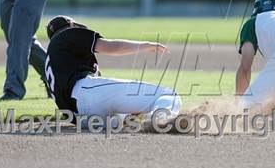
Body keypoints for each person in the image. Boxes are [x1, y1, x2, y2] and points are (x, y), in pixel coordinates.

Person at [45, 15, 182, 127]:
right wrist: (146, 45)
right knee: (168, 94)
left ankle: (146, 118)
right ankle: (159, 121)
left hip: (81, 119)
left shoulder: (53, 57)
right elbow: (111, 47)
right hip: (87, 92)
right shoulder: (67, 34)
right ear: (71, 25)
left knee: (130, 117)